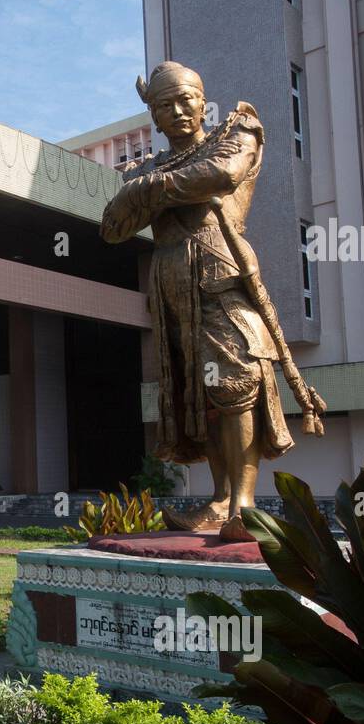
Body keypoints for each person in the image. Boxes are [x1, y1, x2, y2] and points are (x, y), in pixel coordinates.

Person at [101, 61, 296, 541]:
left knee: (236, 382)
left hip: (220, 273)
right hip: (170, 284)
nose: (178, 111)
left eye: (186, 98)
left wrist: (150, 189)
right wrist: (145, 190)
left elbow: (221, 175)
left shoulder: (238, 131)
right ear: (154, 116)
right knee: (198, 395)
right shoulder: (151, 166)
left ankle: (245, 505)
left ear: (201, 98)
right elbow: (112, 227)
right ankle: (220, 498)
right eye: (164, 105)